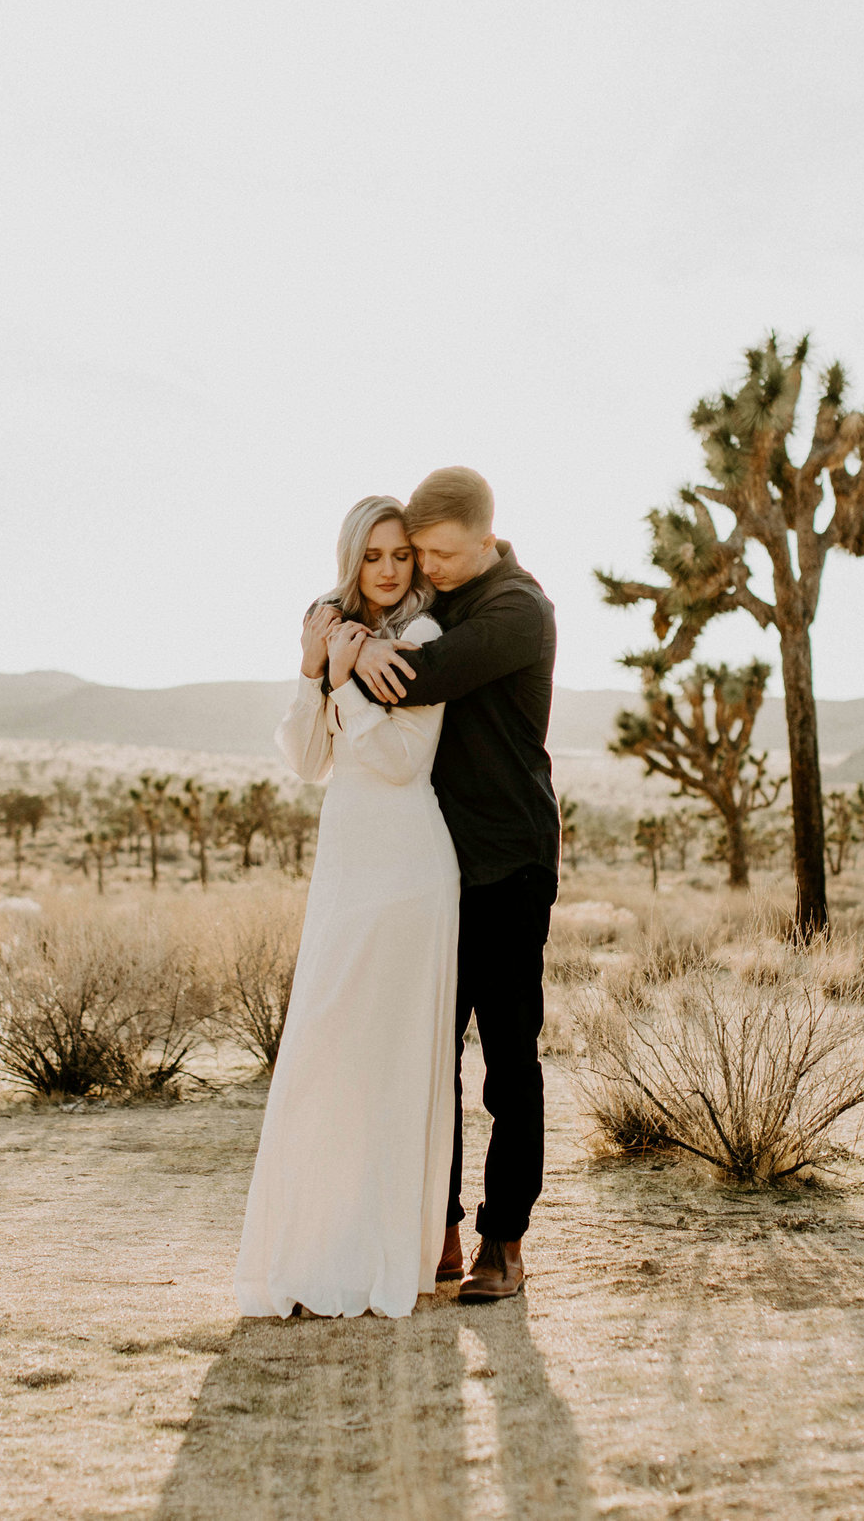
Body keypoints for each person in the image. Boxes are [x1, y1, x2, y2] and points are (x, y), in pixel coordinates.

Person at [234, 496, 459, 1319]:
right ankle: (319, 1252)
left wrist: (348, 682)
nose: (391, 569)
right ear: (351, 560)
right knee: (327, 1053)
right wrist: (313, 667)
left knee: (390, 1066)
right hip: (345, 869)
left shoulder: (424, 642)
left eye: (401, 553)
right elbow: (305, 759)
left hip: (406, 869)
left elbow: (402, 761)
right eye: (373, 556)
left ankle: (385, 1261)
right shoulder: (334, 635)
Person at [348, 466, 558, 1304]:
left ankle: (502, 1241)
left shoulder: (518, 609)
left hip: (509, 863)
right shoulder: (432, 603)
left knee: (508, 1063)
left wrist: (354, 646)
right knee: (430, 1059)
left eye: (439, 551)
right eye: (418, 552)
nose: (425, 566)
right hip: (433, 867)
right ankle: (435, 1230)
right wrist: (338, 620)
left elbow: (422, 677)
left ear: (485, 535)